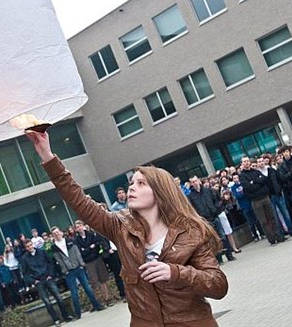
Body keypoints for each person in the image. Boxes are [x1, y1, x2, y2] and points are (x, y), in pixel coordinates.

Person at [26, 131, 228, 327]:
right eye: (132, 183)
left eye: (141, 183)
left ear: (160, 192)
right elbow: (78, 200)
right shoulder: (120, 225)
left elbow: (218, 285)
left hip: (191, 322)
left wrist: (175, 272)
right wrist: (47, 156)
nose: (131, 187)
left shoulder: (191, 232)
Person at [51, 226, 103, 319]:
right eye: (54, 233)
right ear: (53, 236)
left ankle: (97, 305)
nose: (57, 234)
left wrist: (81, 264)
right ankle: (77, 313)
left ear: (61, 232)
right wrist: (65, 270)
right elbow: (58, 260)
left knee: (87, 288)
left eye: (57, 232)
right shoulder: (54, 247)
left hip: (78, 267)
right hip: (68, 272)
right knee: (74, 292)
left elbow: (77, 252)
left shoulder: (70, 241)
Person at [21, 239, 73, 326]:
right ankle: (56, 319)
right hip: (38, 281)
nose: (30, 247)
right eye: (28, 246)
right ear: (26, 248)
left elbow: (50, 263)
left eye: (31, 245)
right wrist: (33, 281)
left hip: (48, 278)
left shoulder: (42, 252)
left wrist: (50, 274)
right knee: (47, 302)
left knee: (59, 297)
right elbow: (25, 273)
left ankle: (66, 316)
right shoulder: (24, 258)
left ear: (33, 244)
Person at [187, 176, 235, 263]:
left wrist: (215, 209)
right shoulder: (191, 196)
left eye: (196, 181)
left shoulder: (208, 191)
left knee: (222, 236)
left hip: (214, 216)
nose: (195, 183)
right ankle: (219, 259)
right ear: (191, 184)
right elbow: (192, 209)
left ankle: (229, 255)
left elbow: (217, 200)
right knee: (212, 240)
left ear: (199, 181)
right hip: (205, 221)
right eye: (193, 182)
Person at [239, 156, 284, 246]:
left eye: (248, 161)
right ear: (242, 164)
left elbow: (264, 180)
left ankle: (278, 235)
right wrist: (257, 182)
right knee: (263, 221)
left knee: (272, 217)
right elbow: (248, 188)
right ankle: (271, 239)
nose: (247, 163)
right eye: (245, 161)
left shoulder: (256, 171)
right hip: (255, 201)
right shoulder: (242, 176)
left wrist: (254, 182)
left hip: (265, 197)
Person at [73, 220, 114, 306]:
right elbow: (81, 252)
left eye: (80, 225)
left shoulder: (91, 235)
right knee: (94, 281)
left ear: (83, 226)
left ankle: (108, 299)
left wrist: (88, 249)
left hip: (97, 258)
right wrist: (90, 248)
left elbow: (97, 244)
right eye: (77, 227)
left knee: (103, 279)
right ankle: (100, 301)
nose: (79, 228)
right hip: (88, 262)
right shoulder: (76, 240)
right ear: (76, 229)